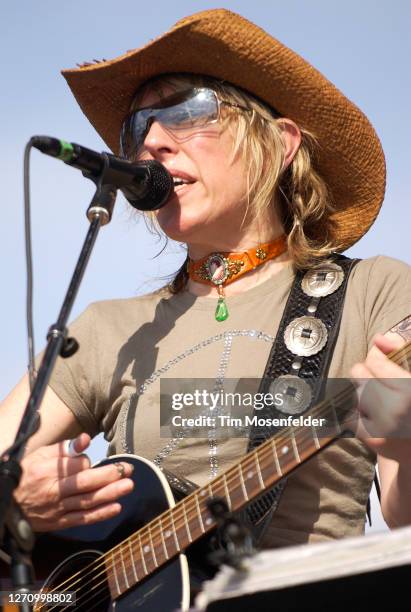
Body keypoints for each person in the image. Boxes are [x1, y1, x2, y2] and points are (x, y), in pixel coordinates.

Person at [1, 8, 411, 553]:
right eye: (136, 127)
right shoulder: (110, 329)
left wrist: (404, 442)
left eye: (189, 112)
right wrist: (13, 503)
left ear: (281, 143)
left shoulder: (374, 291)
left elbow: (404, 523)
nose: (153, 142)